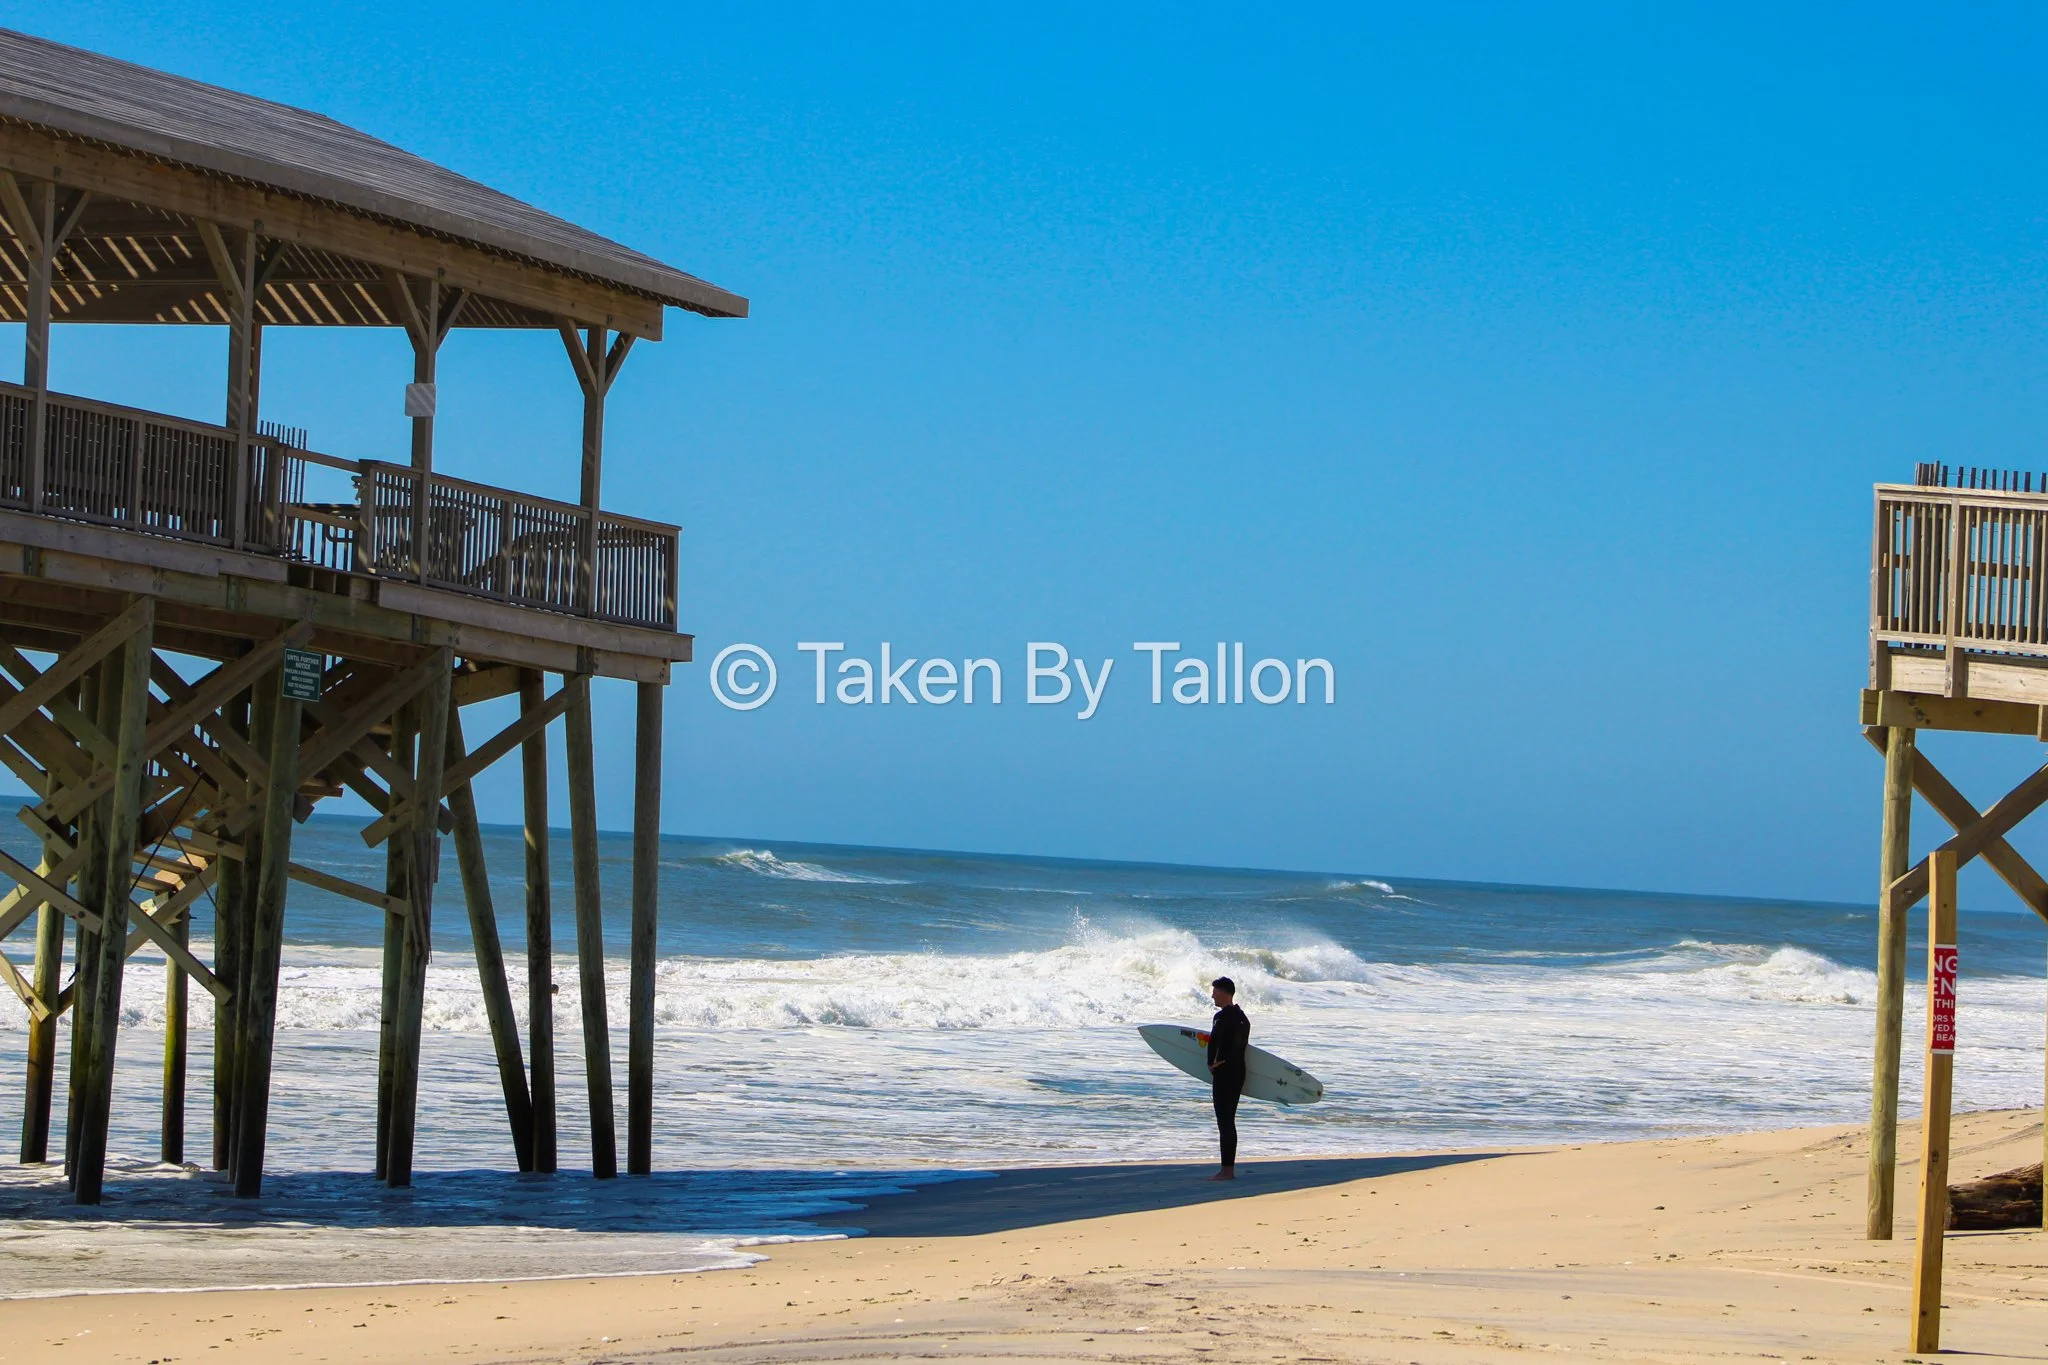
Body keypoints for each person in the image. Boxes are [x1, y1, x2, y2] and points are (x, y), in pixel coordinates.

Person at [1205, 976, 1249, 1180]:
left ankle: (1226, 1171)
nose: (1212, 995)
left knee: (1224, 1122)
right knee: (1229, 1121)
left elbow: (1215, 1042)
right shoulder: (1243, 1017)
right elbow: (1240, 1046)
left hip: (1224, 1074)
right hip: (1239, 1073)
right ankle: (1228, 1168)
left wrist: (1212, 1063)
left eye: (1214, 991)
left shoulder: (1221, 1017)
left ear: (1223, 992)